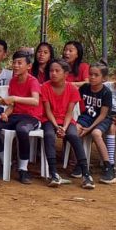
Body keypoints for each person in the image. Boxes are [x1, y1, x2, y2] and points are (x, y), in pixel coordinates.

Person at [0, 51, 42, 184]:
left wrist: (14, 98)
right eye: (14, 62)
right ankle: (6, 162)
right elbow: (12, 105)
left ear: (28, 66)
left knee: (22, 130)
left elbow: (35, 101)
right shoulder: (13, 81)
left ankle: (23, 169)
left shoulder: (33, 81)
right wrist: (6, 114)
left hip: (31, 117)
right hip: (15, 115)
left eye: (19, 63)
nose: (15, 66)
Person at [39, 59, 85, 187]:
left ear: (65, 74)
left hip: (66, 120)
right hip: (49, 120)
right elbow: (47, 111)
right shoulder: (45, 87)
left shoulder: (72, 89)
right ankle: (54, 173)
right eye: (51, 71)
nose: (53, 73)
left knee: (74, 135)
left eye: (57, 71)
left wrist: (64, 127)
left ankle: (86, 174)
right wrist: (56, 126)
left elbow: (70, 113)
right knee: (49, 135)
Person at [78, 63, 115, 186]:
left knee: (96, 133)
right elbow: (78, 106)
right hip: (86, 117)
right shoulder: (84, 88)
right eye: (90, 74)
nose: (92, 77)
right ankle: (80, 163)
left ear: (104, 78)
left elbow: (103, 115)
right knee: (75, 131)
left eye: (96, 75)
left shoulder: (106, 92)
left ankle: (108, 167)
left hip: (102, 119)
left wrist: (89, 129)